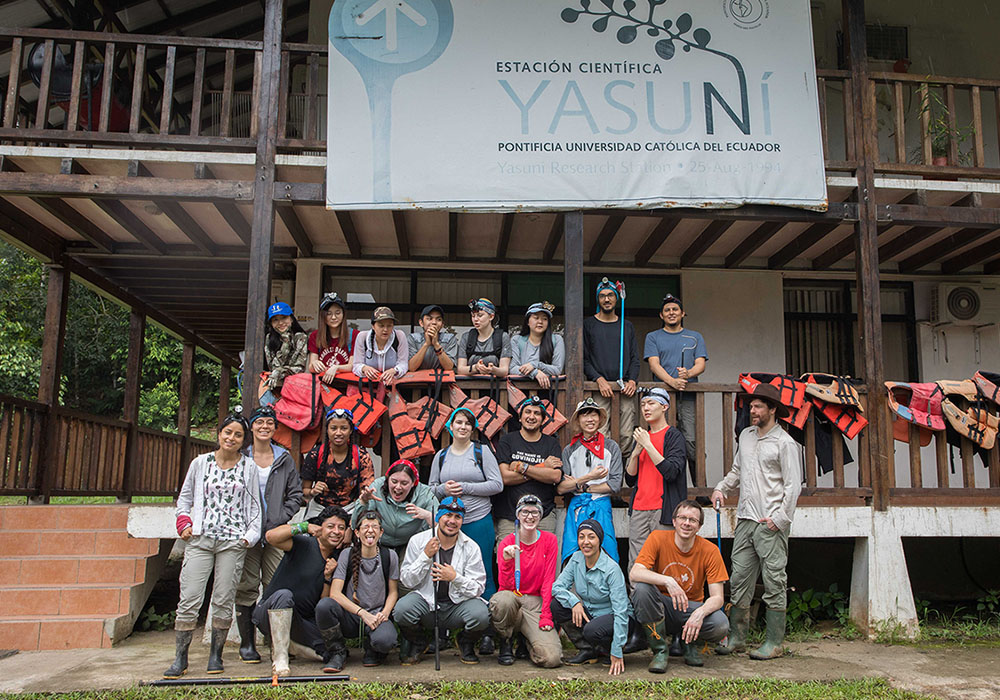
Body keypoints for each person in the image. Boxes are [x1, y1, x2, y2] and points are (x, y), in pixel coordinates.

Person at [163, 414, 262, 679]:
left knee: (223, 598)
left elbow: (255, 507)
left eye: (238, 435)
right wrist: (184, 523)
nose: (231, 438)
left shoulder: (249, 468)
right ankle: (180, 657)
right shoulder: (200, 463)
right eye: (227, 432)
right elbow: (184, 499)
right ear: (219, 434)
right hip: (200, 539)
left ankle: (216, 654)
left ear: (244, 440)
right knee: (190, 597)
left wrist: (249, 536)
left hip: (232, 541)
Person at [712, 383, 802, 661]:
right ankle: (738, 638)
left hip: (770, 522)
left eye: (758, 406)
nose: (752, 410)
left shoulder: (785, 443)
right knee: (739, 579)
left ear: (772, 410)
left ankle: (774, 642)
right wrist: (721, 488)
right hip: (745, 519)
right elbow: (738, 470)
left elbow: (793, 485)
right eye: (751, 406)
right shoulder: (747, 436)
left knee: (774, 581)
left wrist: (779, 519)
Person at [234, 406, 304, 665]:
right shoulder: (242, 456)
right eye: (259, 422)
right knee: (246, 587)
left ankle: (278, 643)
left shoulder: (284, 457)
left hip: (276, 533)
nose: (264, 427)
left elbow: (296, 494)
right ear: (251, 427)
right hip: (247, 534)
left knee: (276, 587)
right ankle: (248, 643)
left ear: (275, 428)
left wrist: (279, 519)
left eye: (269, 423)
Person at [630, 500, 730, 673]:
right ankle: (660, 650)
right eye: (682, 518)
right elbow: (635, 573)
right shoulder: (657, 538)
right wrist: (668, 581)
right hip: (662, 606)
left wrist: (700, 613)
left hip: (690, 608)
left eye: (692, 520)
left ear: (699, 527)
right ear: (674, 521)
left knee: (720, 624)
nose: (686, 523)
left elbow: (718, 597)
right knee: (642, 589)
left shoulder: (710, 550)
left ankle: (688, 643)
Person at [253, 505, 352, 676]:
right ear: (320, 528)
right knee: (285, 595)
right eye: (331, 526)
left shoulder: (336, 559)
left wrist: (328, 576)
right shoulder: (304, 543)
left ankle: (290, 645)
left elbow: (322, 602)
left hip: (300, 621)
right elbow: (271, 537)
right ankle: (280, 657)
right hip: (269, 612)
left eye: (341, 528)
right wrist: (304, 526)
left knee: (330, 652)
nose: (336, 532)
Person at [394, 496, 491, 665]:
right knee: (402, 610)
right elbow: (407, 581)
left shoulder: (471, 546)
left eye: (457, 517)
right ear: (439, 516)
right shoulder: (418, 541)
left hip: (457, 605)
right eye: (448, 515)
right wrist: (425, 556)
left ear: (462, 521)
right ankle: (419, 642)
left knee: (481, 614)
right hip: (427, 602)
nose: (452, 521)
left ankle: (465, 642)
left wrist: (454, 578)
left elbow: (478, 587)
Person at [429, 408, 503, 602]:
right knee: (450, 568)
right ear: (450, 427)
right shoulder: (441, 455)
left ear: (473, 429)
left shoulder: (482, 452)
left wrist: (466, 488)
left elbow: (497, 484)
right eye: (458, 422)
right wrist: (444, 488)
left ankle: (486, 619)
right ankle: (454, 617)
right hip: (448, 523)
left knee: (482, 569)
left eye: (467, 423)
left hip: (477, 519)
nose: (463, 427)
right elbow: (431, 489)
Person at [551, 520, 636, 676]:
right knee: (557, 605)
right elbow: (556, 587)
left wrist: (617, 651)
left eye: (591, 537)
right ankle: (588, 650)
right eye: (581, 537)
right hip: (591, 614)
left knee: (592, 630)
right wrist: (574, 601)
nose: (586, 542)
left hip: (617, 618)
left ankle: (610, 648)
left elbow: (621, 612)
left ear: (599, 540)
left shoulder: (611, 569)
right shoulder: (576, 559)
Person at [489, 495, 562, 668]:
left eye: (535, 512)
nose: (530, 517)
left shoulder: (549, 540)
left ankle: (527, 641)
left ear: (541, 515)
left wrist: (546, 615)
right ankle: (506, 641)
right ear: (518, 515)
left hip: (535, 602)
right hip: (513, 599)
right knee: (503, 600)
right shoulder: (507, 542)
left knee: (552, 659)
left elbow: (548, 580)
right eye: (525, 512)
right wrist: (506, 562)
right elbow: (504, 587)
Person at [644, 293, 707, 482]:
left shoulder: (695, 337)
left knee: (692, 442)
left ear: (682, 314)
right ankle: (662, 485)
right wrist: (672, 382)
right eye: (667, 310)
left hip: (687, 398)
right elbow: (654, 365)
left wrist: (688, 374)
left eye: (675, 310)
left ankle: (699, 487)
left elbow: (700, 364)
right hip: (660, 399)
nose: (671, 313)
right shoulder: (653, 337)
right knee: (661, 442)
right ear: (661, 315)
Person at [327, 511, 400, 670]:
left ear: (381, 532)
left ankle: (373, 649)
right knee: (325, 606)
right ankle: (337, 651)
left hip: (377, 615)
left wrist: (385, 613)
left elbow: (393, 591)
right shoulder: (347, 554)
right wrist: (362, 613)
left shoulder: (390, 556)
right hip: (352, 616)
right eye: (365, 526)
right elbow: (335, 593)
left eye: (375, 527)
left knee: (386, 640)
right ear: (357, 532)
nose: (370, 530)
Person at [624, 388, 687, 570]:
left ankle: (663, 600)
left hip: (663, 509)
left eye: (651, 403)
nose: (646, 408)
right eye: (643, 404)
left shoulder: (673, 436)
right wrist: (635, 453)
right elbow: (629, 479)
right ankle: (637, 598)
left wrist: (648, 445)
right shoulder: (643, 438)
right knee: (636, 563)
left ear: (664, 406)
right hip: (639, 508)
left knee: (664, 562)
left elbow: (672, 472)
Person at [558, 397, 623, 565]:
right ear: (579, 420)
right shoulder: (569, 450)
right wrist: (590, 478)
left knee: (606, 553)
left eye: (593, 415)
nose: (590, 419)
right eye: (585, 415)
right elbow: (562, 488)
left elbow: (614, 485)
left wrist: (581, 485)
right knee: (573, 554)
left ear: (600, 419)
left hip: (600, 505)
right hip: (577, 508)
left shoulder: (611, 447)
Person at [494, 396, 563, 543]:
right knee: (508, 561)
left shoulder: (551, 443)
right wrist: (542, 468)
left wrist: (522, 467)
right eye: (528, 412)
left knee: (543, 562)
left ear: (542, 419)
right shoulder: (508, 440)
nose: (532, 417)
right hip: (510, 516)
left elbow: (555, 476)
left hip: (543, 515)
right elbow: (505, 477)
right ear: (520, 418)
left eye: (537, 413)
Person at [584, 278, 639, 458]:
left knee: (626, 434)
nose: (606, 299)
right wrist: (598, 379)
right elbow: (583, 360)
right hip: (600, 388)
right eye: (602, 296)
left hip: (625, 389)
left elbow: (634, 358)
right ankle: (604, 476)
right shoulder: (589, 324)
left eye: (610, 295)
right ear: (597, 300)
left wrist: (632, 380)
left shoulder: (627, 326)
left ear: (616, 299)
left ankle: (622, 478)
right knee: (601, 433)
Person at [352, 458, 437, 558]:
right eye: (394, 481)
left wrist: (427, 515)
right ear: (387, 479)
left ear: (414, 482)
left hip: (409, 544)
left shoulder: (425, 494)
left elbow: (441, 525)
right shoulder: (376, 487)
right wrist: (363, 502)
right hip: (379, 542)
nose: (398, 487)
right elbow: (355, 525)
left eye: (404, 483)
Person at [301, 408, 375, 516]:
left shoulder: (361, 456)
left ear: (350, 431)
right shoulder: (316, 454)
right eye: (333, 428)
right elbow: (304, 490)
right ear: (327, 430)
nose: (338, 433)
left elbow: (366, 488)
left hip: (350, 508)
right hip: (320, 508)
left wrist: (365, 496)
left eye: (344, 428)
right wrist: (313, 491)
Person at [262, 302, 308, 405]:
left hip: (296, 386)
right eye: (275, 320)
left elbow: (299, 368)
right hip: (275, 387)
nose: (280, 323)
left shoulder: (301, 337)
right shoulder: (269, 338)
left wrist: (279, 371)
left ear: (291, 318)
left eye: (284, 318)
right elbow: (272, 365)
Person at [510, 301, 564, 389]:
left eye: (545, 319)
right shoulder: (516, 340)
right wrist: (535, 373)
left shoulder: (557, 340)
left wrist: (535, 365)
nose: (540, 322)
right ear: (527, 321)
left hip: (548, 390)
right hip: (521, 390)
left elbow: (557, 369)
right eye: (536, 318)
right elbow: (512, 368)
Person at [308, 292, 358, 385]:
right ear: (323, 316)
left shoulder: (354, 335)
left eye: (338, 313)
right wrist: (315, 364)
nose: (334, 317)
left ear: (343, 314)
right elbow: (311, 366)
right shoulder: (315, 336)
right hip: (323, 387)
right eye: (329, 314)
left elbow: (353, 365)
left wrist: (336, 368)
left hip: (346, 387)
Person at [352, 306, 408, 388]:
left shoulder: (399, 336)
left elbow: (403, 364)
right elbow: (356, 365)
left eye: (389, 326)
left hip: (393, 386)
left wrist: (394, 371)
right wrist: (364, 368)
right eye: (381, 326)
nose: (385, 329)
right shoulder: (362, 337)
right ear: (373, 326)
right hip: (368, 386)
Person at [456, 298, 511, 377]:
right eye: (473, 316)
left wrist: (493, 370)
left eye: (480, 315)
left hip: (495, 387)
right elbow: (460, 369)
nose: (475, 319)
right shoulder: (466, 337)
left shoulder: (502, 337)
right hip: (470, 386)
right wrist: (475, 368)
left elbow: (504, 370)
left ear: (491, 316)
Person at [408, 304, 458, 372]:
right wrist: (426, 344)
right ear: (421, 323)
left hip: (441, 381)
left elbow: (449, 367)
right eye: (429, 319)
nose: (434, 322)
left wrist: (436, 344)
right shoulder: (413, 338)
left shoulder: (450, 339)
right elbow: (411, 367)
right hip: (418, 381)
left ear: (442, 324)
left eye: (439, 319)